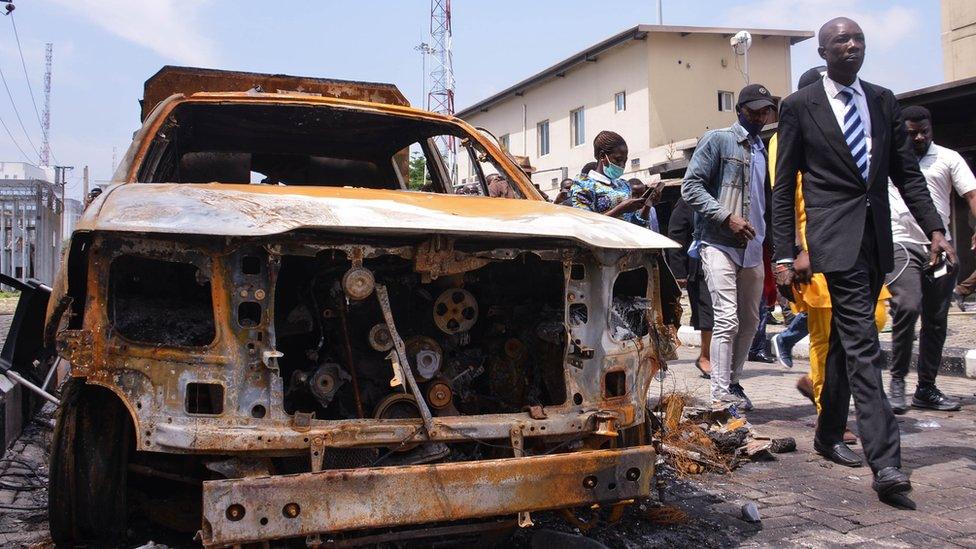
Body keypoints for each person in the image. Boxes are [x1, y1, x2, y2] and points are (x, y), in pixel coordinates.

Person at [773, 17, 952, 500]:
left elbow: (905, 173)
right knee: (863, 343)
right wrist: (784, 255)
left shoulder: (883, 99)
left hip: (878, 237)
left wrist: (936, 228)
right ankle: (887, 463)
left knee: (842, 345)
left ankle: (829, 433)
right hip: (835, 239)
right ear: (823, 52)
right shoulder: (799, 107)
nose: (852, 46)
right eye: (840, 41)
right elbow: (784, 185)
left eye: (858, 40)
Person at [769, 65, 889, 446]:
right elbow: (789, 197)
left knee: (871, 322)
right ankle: (829, 413)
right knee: (825, 334)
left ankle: (829, 398)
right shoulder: (791, 131)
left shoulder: (857, 124)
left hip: (854, 246)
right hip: (814, 249)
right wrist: (794, 253)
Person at [682, 83, 776, 410]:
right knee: (727, 318)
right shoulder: (718, 140)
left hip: (753, 247)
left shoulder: (764, 150)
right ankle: (720, 393)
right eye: (755, 111)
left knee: (751, 321)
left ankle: (733, 382)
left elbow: (767, 203)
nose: (761, 117)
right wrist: (726, 217)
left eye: (765, 111)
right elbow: (690, 188)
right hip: (718, 241)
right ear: (740, 111)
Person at [886, 105, 976, 413]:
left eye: (925, 131)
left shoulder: (949, 158)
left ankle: (926, 388)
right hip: (901, 243)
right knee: (908, 305)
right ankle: (897, 379)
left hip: (941, 247)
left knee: (936, 320)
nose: (920, 137)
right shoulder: (888, 158)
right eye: (913, 133)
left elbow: (972, 194)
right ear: (902, 131)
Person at [668, 198, 714, 378]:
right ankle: (705, 356)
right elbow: (676, 234)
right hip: (700, 266)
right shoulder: (689, 200)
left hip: (729, 261)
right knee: (707, 315)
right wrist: (679, 272)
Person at [566, 131, 647, 219]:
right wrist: (620, 210)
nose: (622, 165)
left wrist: (648, 205)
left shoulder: (624, 185)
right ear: (602, 156)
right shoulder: (584, 184)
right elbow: (585, 222)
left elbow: (635, 223)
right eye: (618, 159)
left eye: (625, 161)